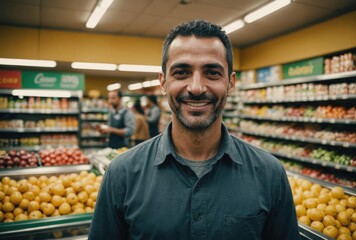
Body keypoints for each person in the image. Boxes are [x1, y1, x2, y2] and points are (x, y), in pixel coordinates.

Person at [89, 20, 301, 239]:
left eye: (212, 73)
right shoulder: (121, 175)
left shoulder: (270, 174)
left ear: (231, 82)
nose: (197, 88)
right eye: (181, 72)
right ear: (163, 82)